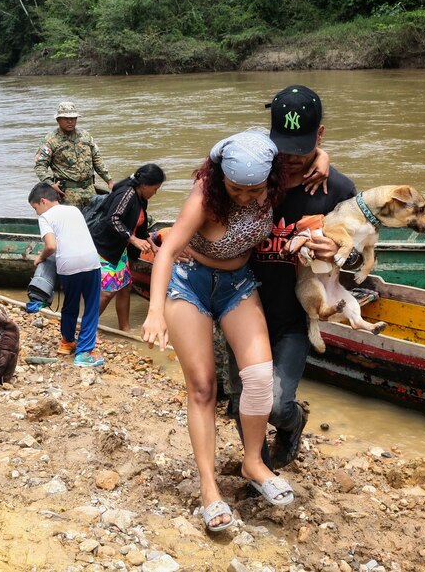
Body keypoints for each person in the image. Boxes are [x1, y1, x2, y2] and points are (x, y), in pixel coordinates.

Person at [141, 130, 294, 533]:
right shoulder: (204, 196)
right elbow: (169, 250)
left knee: (260, 376)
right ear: (219, 177)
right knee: (204, 387)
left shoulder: (276, 183)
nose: (245, 197)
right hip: (187, 284)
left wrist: (324, 158)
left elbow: (307, 157)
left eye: (254, 190)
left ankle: (253, 462)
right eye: (236, 189)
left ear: (270, 179)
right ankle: (209, 488)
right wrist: (155, 311)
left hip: (237, 285)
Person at [225, 85, 357, 471]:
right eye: (283, 147)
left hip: (292, 319)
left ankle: (293, 421)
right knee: (240, 402)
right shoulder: (253, 176)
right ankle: (259, 468)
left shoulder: (339, 189)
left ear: (320, 135)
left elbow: (360, 255)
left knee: (276, 404)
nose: (292, 159)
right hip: (238, 309)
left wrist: (338, 256)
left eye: (302, 148)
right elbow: (215, 164)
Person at [28, 182, 105, 368]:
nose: (37, 212)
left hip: (68, 266)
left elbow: (51, 246)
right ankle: (84, 350)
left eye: (35, 208)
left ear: (43, 201)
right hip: (90, 261)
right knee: (91, 307)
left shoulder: (45, 217)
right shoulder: (74, 210)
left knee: (70, 304)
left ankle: (67, 342)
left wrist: (40, 257)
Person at [89, 163, 166, 332]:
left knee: (125, 287)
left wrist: (154, 246)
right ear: (144, 184)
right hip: (104, 248)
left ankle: (125, 328)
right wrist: (133, 240)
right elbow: (113, 220)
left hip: (119, 249)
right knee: (107, 293)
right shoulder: (127, 194)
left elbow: (142, 227)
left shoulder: (141, 199)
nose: (155, 192)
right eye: (155, 188)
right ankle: (86, 330)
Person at [34, 101, 113, 208]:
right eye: (66, 119)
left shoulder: (85, 136)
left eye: (73, 118)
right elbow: (40, 166)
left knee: (94, 220)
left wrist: (108, 180)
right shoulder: (50, 141)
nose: (70, 121)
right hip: (67, 194)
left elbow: (97, 159)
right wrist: (51, 184)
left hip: (90, 190)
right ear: (58, 120)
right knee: (71, 222)